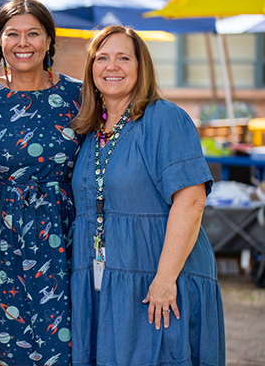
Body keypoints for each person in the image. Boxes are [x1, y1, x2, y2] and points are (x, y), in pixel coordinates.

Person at [70, 25, 225, 365]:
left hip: (158, 282)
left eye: (123, 58)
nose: (112, 67)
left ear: (141, 67)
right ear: (91, 68)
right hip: (108, 284)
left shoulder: (164, 119)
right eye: (102, 58)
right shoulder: (91, 130)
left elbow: (192, 199)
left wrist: (165, 279)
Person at [0, 0, 82, 366]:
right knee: (2, 342)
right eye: (12, 34)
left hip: (63, 233)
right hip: (1, 235)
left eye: (34, 33)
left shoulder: (78, 95)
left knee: (66, 339)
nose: (23, 42)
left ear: (49, 40)